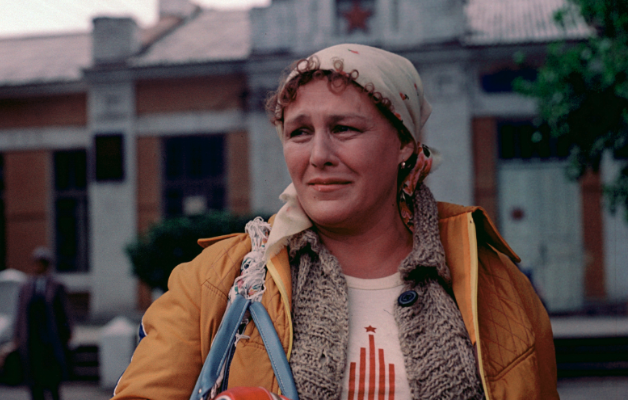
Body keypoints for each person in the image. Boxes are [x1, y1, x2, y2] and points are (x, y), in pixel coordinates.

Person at [112, 44, 558, 400]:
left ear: (404, 143)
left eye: (344, 128)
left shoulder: (494, 284)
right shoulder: (216, 280)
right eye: (299, 132)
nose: (319, 155)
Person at [15, 247, 72, 400]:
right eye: (36, 263)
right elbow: (20, 313)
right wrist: (18, 335)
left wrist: (67, 333)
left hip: (50, 339)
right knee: (34, 380)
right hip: (32, 339)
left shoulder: (56, 285)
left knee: (53, 380)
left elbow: (64, 311)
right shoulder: (26, 287)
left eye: (41, 263)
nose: (38, 266)